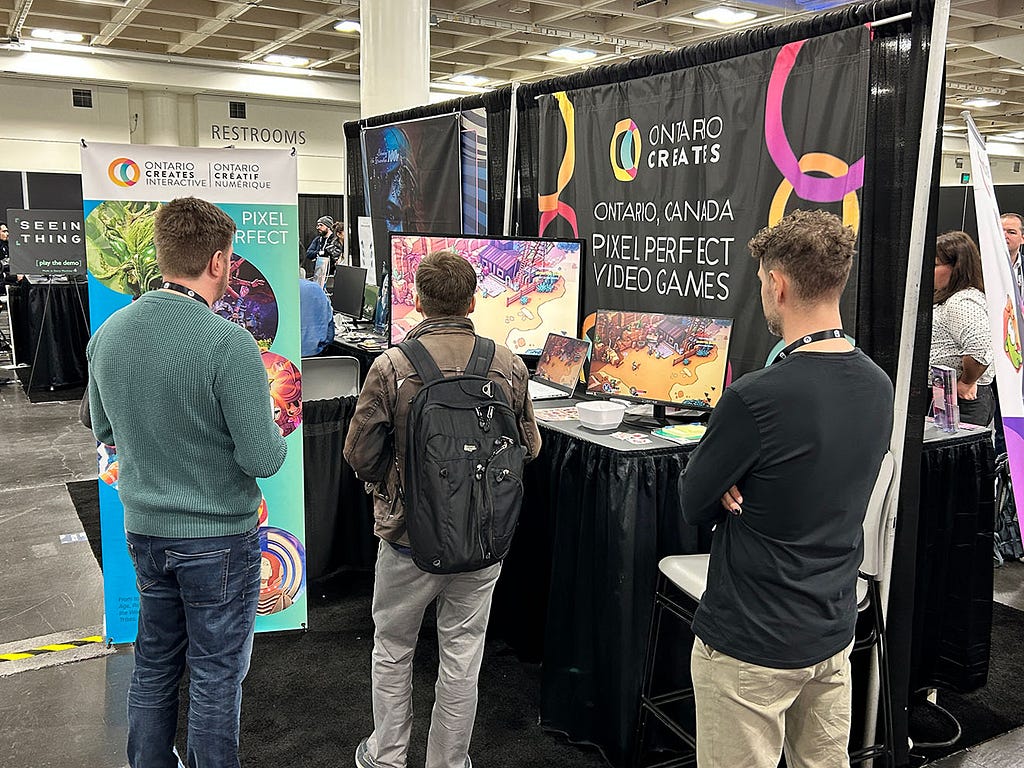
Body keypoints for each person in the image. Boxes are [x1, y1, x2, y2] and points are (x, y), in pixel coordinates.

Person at [677, 209, 894, 768]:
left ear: (778, 283)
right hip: (831, 629)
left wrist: (730, 481)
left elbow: (693, 502)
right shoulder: (878, 385)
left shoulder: (757, 397)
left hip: (753, 638)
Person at [86, 196, 288, 768]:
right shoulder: (228, 343)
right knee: (216, 679)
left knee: (153, 666)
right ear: (220, 261)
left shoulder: (110, 335)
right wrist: (272, 429)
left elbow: (104, 431)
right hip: (219, 540)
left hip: (145, 532)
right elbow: (264, 458)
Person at [344, 250, 541, 768]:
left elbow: (359, 453)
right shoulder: (508, 364)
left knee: (392, 649)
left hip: (407, 536)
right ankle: (449, 762)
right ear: (473, 300)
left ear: (419, 301)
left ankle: (386, 756)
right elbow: (532, 448)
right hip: (482, 539)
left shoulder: (391, 365)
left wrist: (395, 479)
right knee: (462, 655)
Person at [931, 230, 994, 426]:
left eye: (935, 265)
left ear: (956, 267)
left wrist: (966, 382)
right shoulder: (953, 298)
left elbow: (980, 348)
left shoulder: (962, 301)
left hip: (961, 401)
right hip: (945, 394)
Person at [298, 269, 335, 356]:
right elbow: (330, 335)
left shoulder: (271, 291)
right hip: (315, 360)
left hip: (279, 363)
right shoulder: (315, 288)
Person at [1002, 212, 1024, 291]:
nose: (1004, 236)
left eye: (1011, 232)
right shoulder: (981, 265)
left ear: (1022, 239)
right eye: (1000, 231)